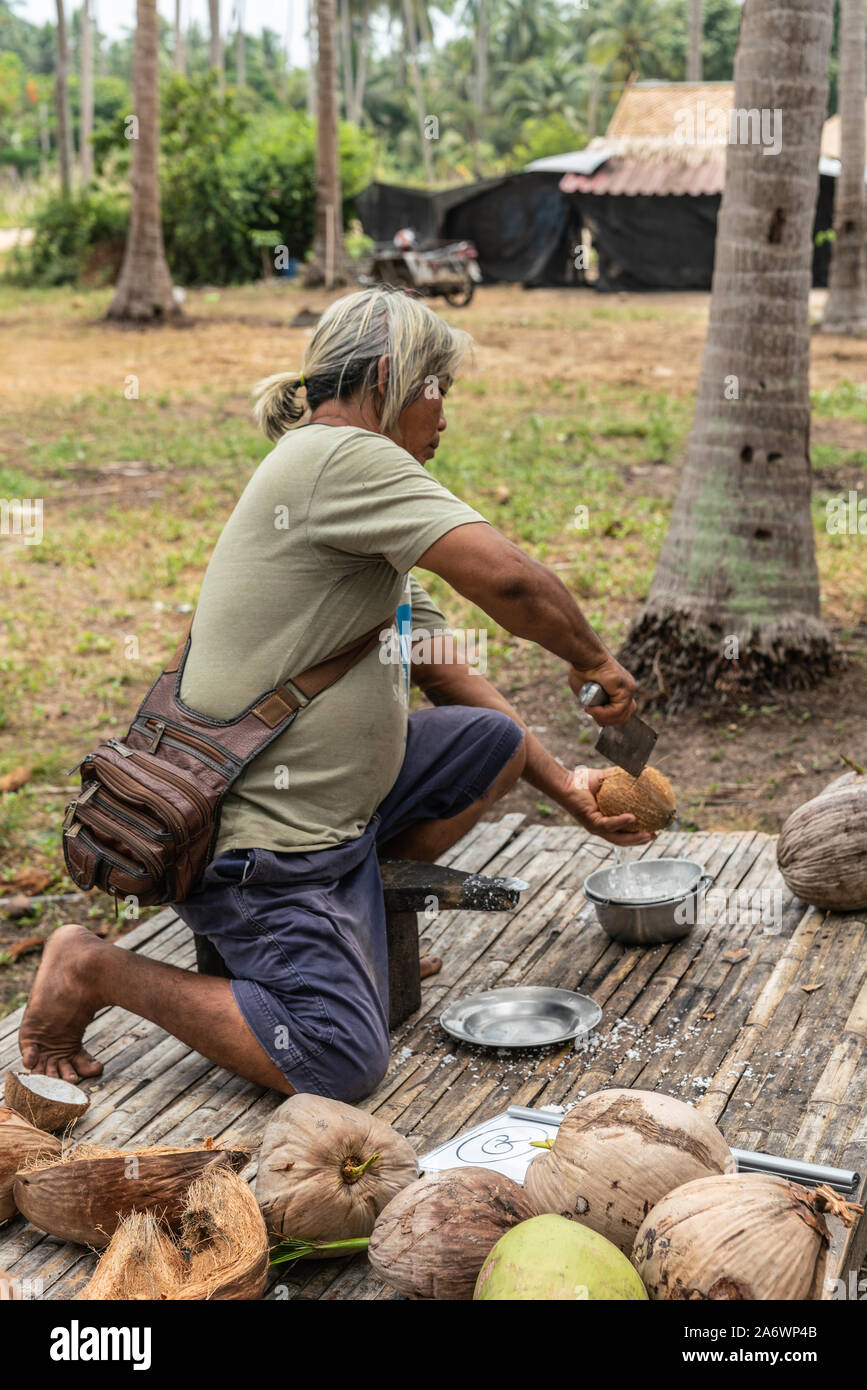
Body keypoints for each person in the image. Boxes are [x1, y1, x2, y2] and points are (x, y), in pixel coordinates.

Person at [19, 287, 649, 1102]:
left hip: (333, 817)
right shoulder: (343, 458)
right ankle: (93, 967)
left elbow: (440, 663)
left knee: (489, 739)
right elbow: (512, 582)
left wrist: (568, 789)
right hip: (265, 844)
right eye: (439, 388)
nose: (445, 413)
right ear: (391, 377)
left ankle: (353, 932)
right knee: (338, 1059)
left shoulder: (354, 489)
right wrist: (593, 658)